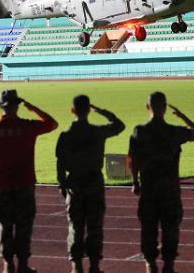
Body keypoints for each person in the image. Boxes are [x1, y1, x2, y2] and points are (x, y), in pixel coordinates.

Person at [0, 89, 58, 273]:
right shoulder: (27, 126)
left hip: (3, 185)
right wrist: (33, 109)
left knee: (5, 225)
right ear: (17, 106)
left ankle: (8, 265)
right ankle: (23, 265)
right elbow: (52, 124)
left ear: (1, 106)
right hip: (25, 183)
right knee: (24, 226)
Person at [128, 92, 194, 273]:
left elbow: (132, 159)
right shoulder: (174, 132)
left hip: (148, 189)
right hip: (169, 190)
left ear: (148, 107)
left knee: (148, 228)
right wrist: (182, 116)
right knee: (170, 228)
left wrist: (135, 182)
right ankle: (168, 266)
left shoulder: (139, 132)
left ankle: (150, 265)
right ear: (164, 107)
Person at [56, 95, 125, 273]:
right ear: (88, 110)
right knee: (95, 226)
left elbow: (60, 164)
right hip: (94, 182)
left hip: (75, 183)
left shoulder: (65, 136)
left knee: (75, 226)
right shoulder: (97, 132)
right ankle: (94, 266)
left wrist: (62, 185)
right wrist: (101, 111)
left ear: (72, 110)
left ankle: (76, 266)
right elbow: (119, 125)